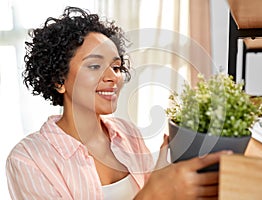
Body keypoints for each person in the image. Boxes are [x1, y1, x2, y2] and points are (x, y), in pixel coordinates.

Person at [6, 6, 232, 199]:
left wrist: (167, 175)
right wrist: (154, 192)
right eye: (94, 66)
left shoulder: (127, 134)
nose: (113, 77)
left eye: (116, 67)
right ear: (58, 80)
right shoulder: (28, 159)